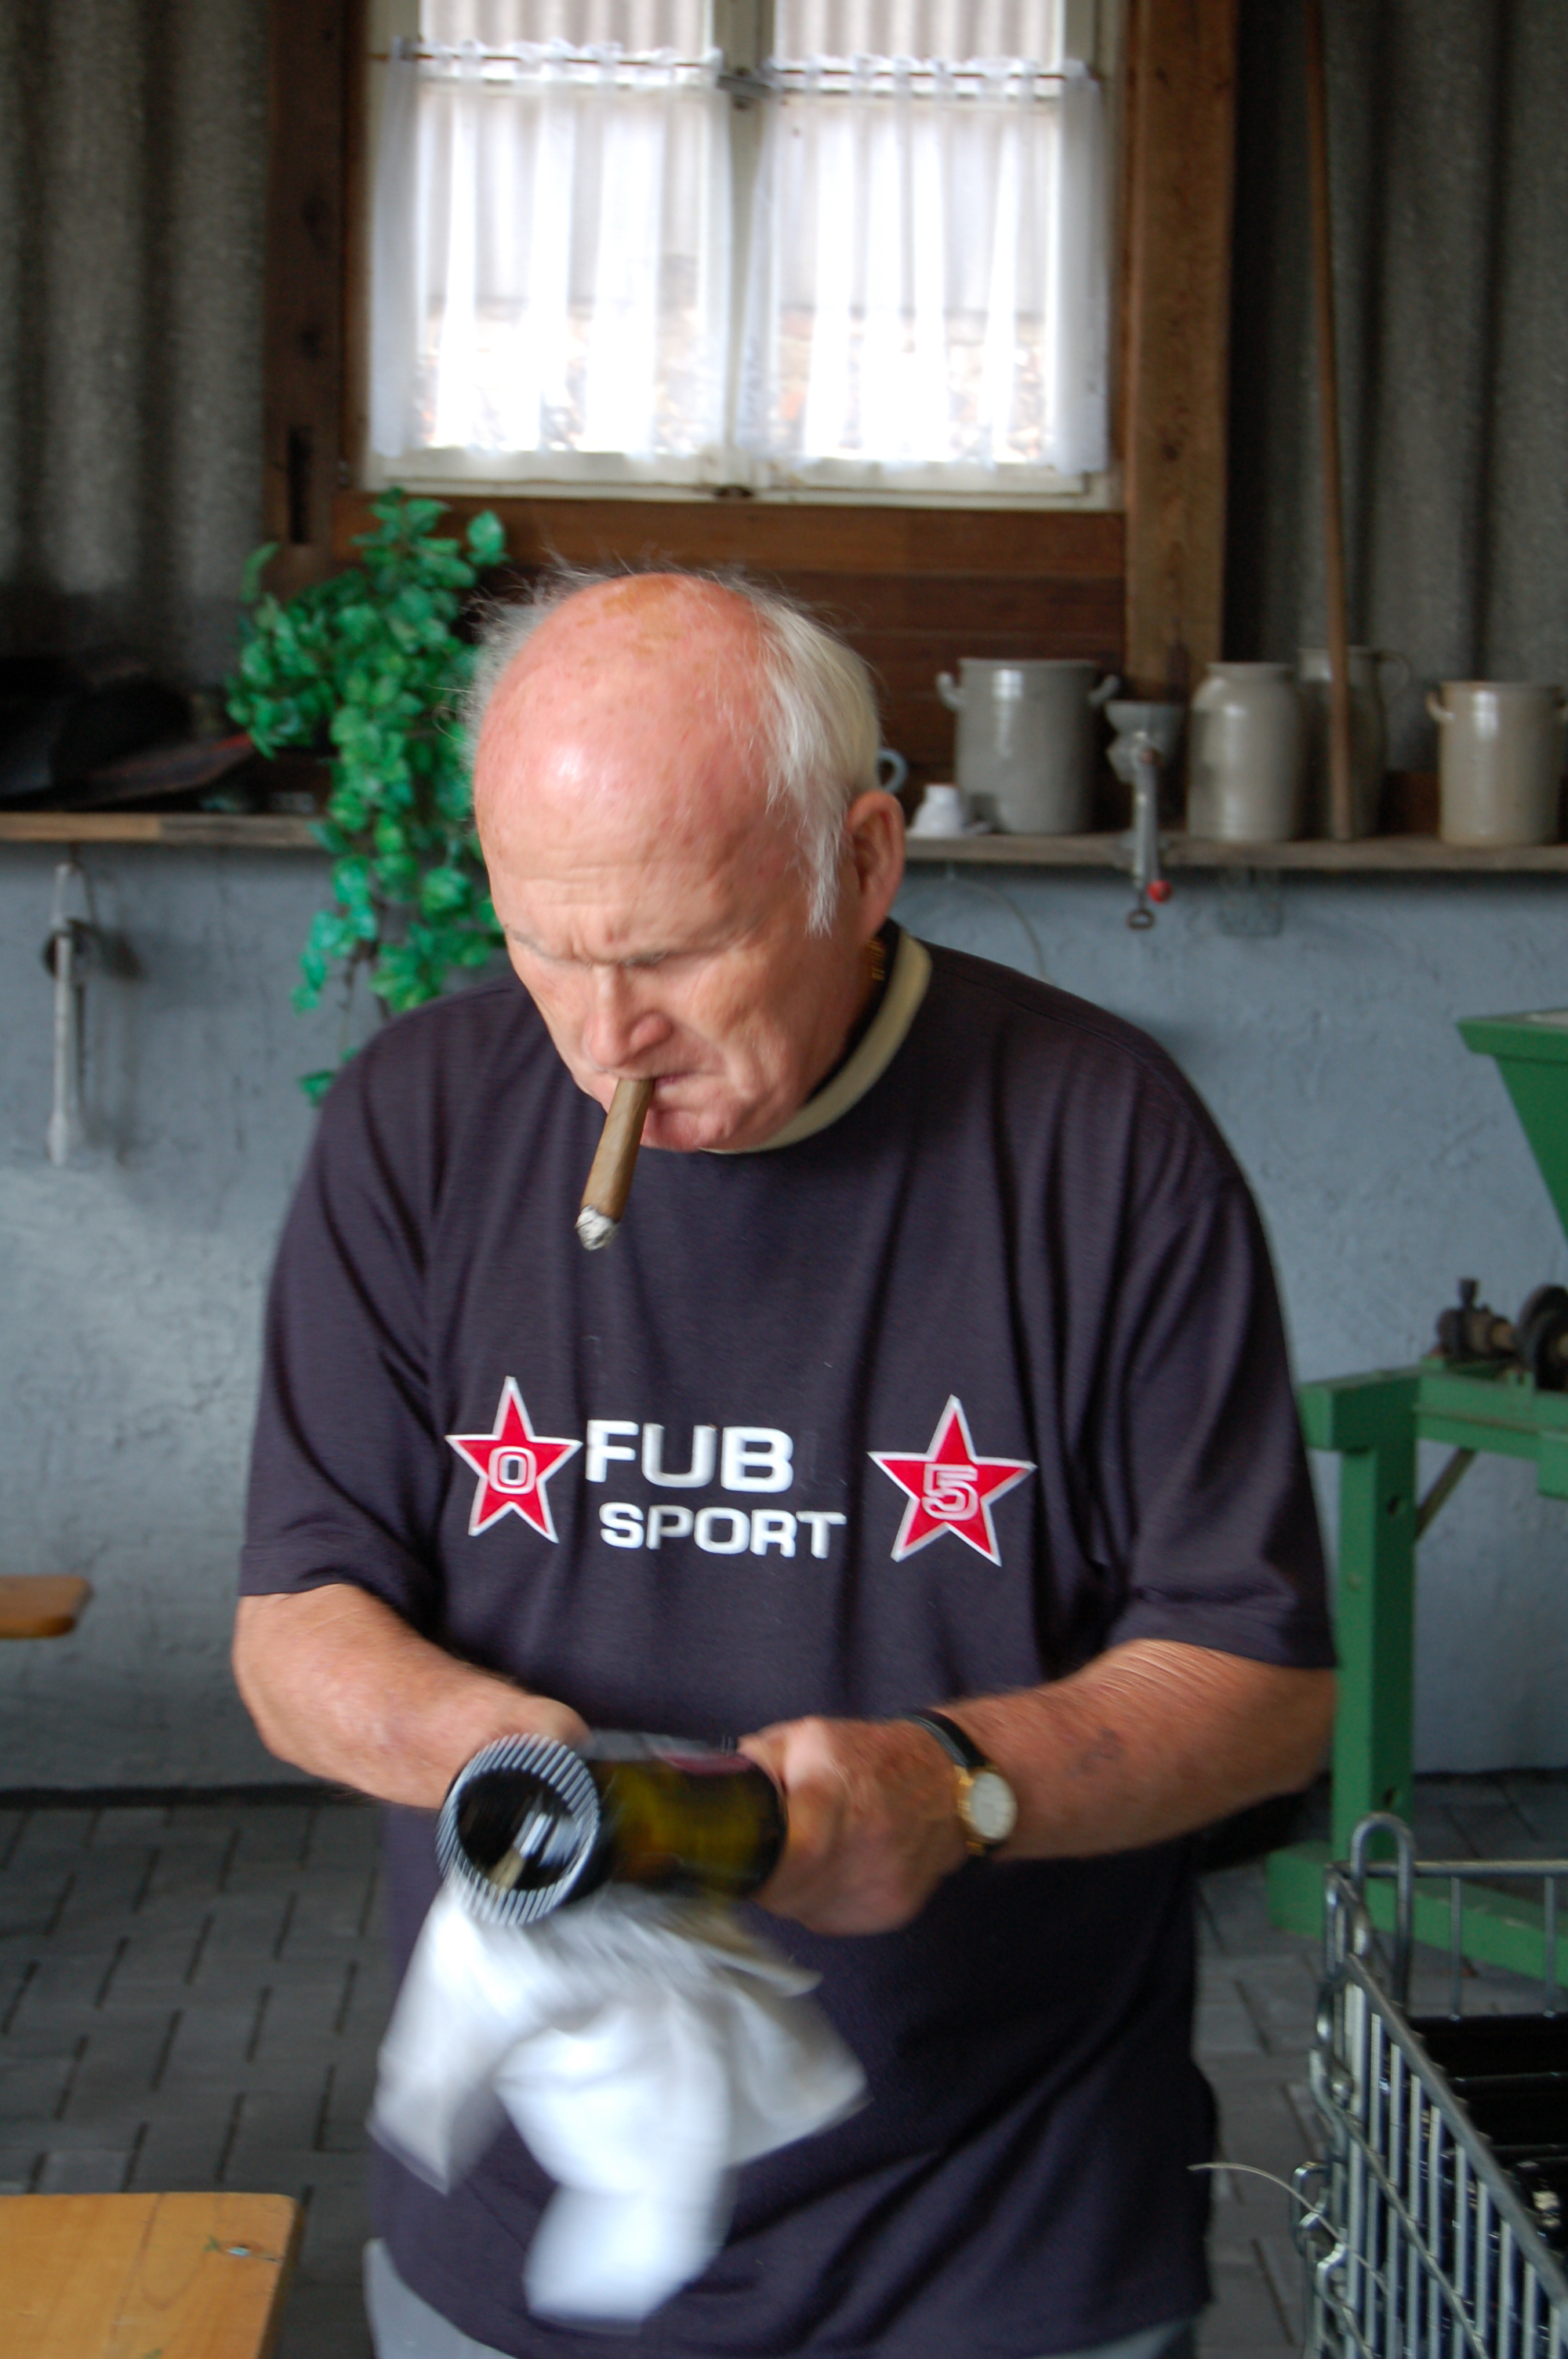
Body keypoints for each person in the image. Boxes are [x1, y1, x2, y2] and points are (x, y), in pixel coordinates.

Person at [234, 572, 1335, 2359]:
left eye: (676, 951)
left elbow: (1261, 1684)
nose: (605, 1034)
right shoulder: (415, 1121)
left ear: (864, 861)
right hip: (521, 2234)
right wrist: (517, 1781)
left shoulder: (1099, 1138)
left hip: (995, 2239)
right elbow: (298, 1619)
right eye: (545, 944)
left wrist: (959, 1787)